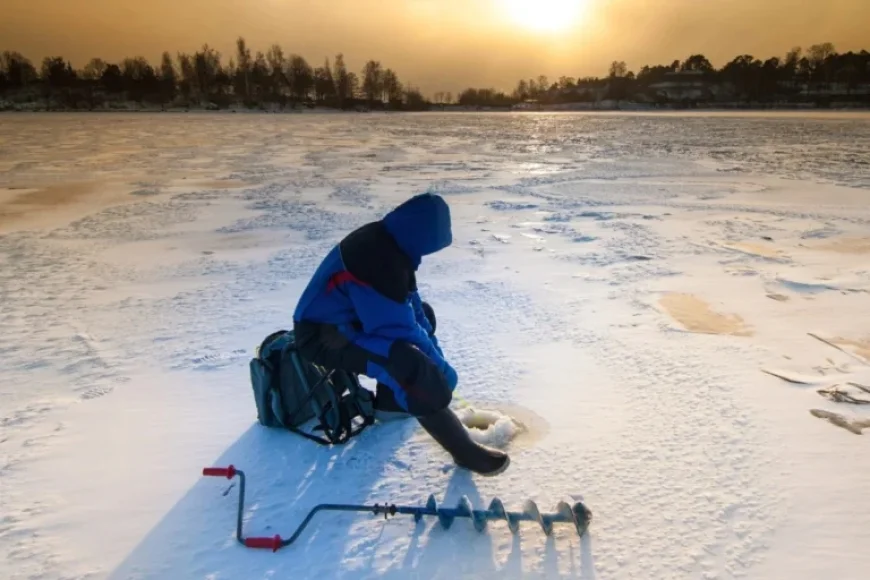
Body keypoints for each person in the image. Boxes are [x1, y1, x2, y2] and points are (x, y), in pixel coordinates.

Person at [292, 193, 510, 476]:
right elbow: (398, 331)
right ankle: (465, 453)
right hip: (325, 336)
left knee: (425, 318)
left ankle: (391, 405)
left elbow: (412, 304)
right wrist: (440, 376)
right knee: (410, 364)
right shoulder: (376, 259)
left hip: (352, 323)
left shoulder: (393, 242)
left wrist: (436, 357)